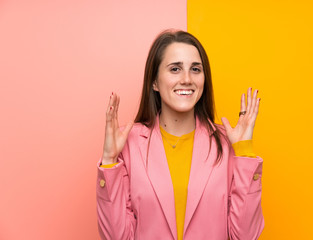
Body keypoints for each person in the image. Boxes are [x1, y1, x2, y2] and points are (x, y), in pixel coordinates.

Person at [96, 30, 264, 240]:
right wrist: (110, 161)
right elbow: (116, 237)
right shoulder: (128, 143)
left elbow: (245, 236)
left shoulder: (228, 143)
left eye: (195, 69)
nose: (186, 79)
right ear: (154, 82)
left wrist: (244, 152)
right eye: (175, 69)